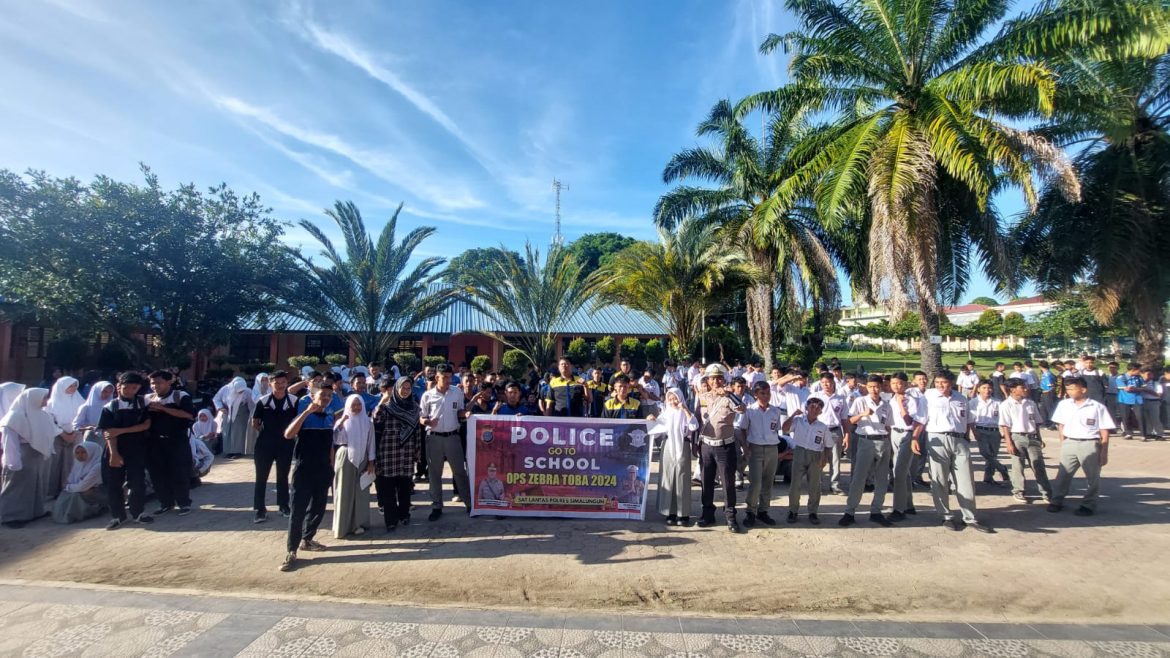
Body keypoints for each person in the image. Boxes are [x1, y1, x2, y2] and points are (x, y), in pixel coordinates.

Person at [916, 372, 992, 533]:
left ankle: (970, 517)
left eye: (943, 382)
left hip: (959, 440)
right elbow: (920, 420)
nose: (940, 386)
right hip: (937, 438)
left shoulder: (961, 398)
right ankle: (946, 516)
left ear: (951, 383)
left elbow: (967, 420)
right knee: (939, 479)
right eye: (937, 382)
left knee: (966, 479)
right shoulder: (928, 397)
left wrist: (968, 437)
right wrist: (915, 438)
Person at [281, 382, 336, 572]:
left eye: (329, 395)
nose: (326, 398)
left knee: (318, 507)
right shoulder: (305, 416)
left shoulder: (329, 417)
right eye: (323, 395)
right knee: (297, 511)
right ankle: (291, 551)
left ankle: (308, 538)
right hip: (304, 469)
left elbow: (330, 444)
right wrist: (306, 413)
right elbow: (288, 435)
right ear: (313, 397)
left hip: (323, 470)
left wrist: (331, 466)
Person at [1049, 376, 1115, 516]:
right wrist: (1063, 441)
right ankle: (1056, 500)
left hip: (1090, 443)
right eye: (1067, 389)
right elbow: (1061, 425)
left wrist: (1104, 452)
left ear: (1083, 389)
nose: (1069, 391)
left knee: (1092, 477)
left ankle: (1088, 504)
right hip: (1070, 442)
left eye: (1072, 388)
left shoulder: (1097, 407)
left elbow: (1104, 431)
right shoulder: (1064, 405)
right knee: (1063, 474)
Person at [99, 372, 153, 530]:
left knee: (137, 481)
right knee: (113, 483)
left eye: (134, 387)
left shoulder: (143, 404)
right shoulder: (110, 407)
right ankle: (118, 516)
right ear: (118, 387)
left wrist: (121, 431)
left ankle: (138, 513)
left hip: (137, 449)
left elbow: (146, 425)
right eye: (126, 387)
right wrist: (114, 454)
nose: (129, 390)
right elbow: (109, 433)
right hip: (115, 449)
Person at [695, 364, 744, 532]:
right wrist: (696, 443)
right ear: (708, 380)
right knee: (706, 482)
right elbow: (697, 420)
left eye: (719, 378)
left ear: (724, 379)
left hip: (725, 447)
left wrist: (730, 394)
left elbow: (742, 409)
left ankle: (730, 517)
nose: (715, 381)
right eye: (712, 378)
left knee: (728, 483)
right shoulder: (702, 397)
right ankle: (707, 514)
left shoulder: (730, 397)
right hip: (707, 446)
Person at [420, 365, 471, 522]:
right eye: (445, 377)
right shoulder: (427, 396)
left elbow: (460, 412)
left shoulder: (456, 393)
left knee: (460, 472)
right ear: (437, 378)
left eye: (450, 377)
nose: (448, 380)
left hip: (453, 437)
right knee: (435, 474)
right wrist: (428, 421)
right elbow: (421, 418)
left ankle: (469, 504)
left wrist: (465, 414)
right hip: (434, 438)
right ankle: (437, 506)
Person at [841, 375, 894, 527]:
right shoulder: (860, 401)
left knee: (882, 478)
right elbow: (850, 421)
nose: (874, 390)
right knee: (859, 477)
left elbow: (888, 426)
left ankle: (876, 511)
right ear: (866, 387)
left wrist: (889, 445)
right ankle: (850, 511)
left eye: (876, 386)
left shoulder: (886, 405)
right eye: (870, 387)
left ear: (881, 387)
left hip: (883, 441)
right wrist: (863, 414)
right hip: (865, 440)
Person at [0, 388, 56, 528]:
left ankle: (34, 512)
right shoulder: (14, 417)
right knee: (16, 486)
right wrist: (13, 462)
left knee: (35, 483)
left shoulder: (42, 414)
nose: (45, 401)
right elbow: (10, 442)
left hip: (36, 454)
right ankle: (11, 516)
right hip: (21, 454)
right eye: (43, 398)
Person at [372, 377, 422, 531]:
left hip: (407, 452)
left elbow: (417, 431)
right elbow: (376, 418)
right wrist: (382, 401)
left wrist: (418, 450)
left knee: (405, 487)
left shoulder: (414, 407)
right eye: (403, 388)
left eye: (408, 388)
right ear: (396, 388)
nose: (405, 391)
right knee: (388, 488)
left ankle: (404, 515)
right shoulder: (386, 406)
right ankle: (391, 520)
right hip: (388, 451)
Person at [145, 370, 196, 517]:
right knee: (158, 474)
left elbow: (189, 415)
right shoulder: (148, 399)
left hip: (176, 441)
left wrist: (163, 408)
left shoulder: (180, 396)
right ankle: (165, 503)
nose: (155, 386)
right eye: (152, 383)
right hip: (155, 442)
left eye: (159, 382)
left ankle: (184, 503)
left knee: (179, 472)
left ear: (169, 382)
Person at [252, 371, 300, 523]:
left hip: (285, 444)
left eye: (283, 383)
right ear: (270, 384)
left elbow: (298, 420)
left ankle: (284, 506)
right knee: (261, 477)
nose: (280, 386)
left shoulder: (293, 401)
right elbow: (255, 422)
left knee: (283, 476)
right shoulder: (263, 401)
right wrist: (266, 433)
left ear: (287, 383)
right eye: (277, 383)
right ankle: (260, 510)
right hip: (264, 445)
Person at [998, 379, 1052, 504]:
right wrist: (1009, 443)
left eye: (1026, 387)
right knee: (1018, 466)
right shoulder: (1006, 405)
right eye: (1022, 387)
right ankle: (1019, 491)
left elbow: (1036, 422)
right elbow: (1005, 426)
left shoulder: (1030, 403)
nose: (1026, 389)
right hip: (1017, 437)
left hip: (1032, 437)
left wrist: (1040, 438)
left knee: (1038, 465)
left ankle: (1046, 492)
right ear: (1013, 390)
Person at [332, 394, 376, 539]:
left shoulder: (368, 422)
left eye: (359, 405)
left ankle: (359, 523)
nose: (356, 408)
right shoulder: (343, 421)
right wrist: (341, 423)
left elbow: (371, 443)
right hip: (345, 456)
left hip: (363, 458)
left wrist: (371, 462)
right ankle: (343, 527)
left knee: (360, 492)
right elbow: (336, 439)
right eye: (353, 405)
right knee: (344, 492)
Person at [740, 381, 782, 527]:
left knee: (768, 482)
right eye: (762, 393)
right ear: (756, 394)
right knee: (756, 483)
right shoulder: (749, 411)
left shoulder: (775, 411)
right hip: (755, 448)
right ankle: (750, 511)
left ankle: (763, 511)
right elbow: (742, 429)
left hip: (772, 448)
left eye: (768, 393)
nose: (766, 396)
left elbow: (775, 429)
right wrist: (745, 447)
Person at [782, 398, 829, 524]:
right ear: (806, 407)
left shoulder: (822, 427)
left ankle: (813, 512)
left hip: (815, 455)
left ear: (821, 412)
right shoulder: (798, 421)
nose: (815, 409)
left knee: (814, 486)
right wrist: (792, 415)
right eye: (812, 406)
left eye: (818, 408)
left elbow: (828, 444)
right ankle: (793, 511)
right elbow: (785, 429)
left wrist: (824, 458)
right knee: (795, 485)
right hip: (799, 453)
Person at [656, 388, 698, 526]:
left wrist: (685, 410)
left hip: (683, 446)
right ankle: (670, 512)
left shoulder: (686, 413)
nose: (673, 401)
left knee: (682, 478)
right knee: (668, 477)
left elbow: (693, 426)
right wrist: (651, 420)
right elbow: (656, 430)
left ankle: (683, 514)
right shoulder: (665, 413)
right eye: (670, 399)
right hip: (668, 446)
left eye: (675, 398)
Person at [887, 372, 923, 520]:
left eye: (900, 383)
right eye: (893, 383)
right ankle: (908, 504)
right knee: (903, 472)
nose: (896, 386)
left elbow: (909, 421)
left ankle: (898, 509)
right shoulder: (891, 398)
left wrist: (902, 404)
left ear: (906, 384)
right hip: (894, 433)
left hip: (907, 435)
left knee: (899, 472)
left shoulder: (910, 400)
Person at [809, 373, 850, 495]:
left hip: (834, 430)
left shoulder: (840, 398)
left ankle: (835, 485)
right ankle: (818, 484)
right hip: (818, 430)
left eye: (828, 382)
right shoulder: (814, 397)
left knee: (835, 458)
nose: (826, 385)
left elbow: (844, 419)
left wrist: (847, 434)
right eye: (823, 382)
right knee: (818, 457)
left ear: (833, 383)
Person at [45, 376, 85, 499]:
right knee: (55, 463)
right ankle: (52, 491)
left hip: (75, 435)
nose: (73, 388)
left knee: (71, 462)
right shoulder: (51, 403)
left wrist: (74, 433)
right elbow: (49, 420)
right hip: (57, 436)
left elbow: (83, 417)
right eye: (70, 386)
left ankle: (67, 488)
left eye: (74, 386)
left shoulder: (80, 401)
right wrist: (62, 433)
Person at [51, 440, 107, 524]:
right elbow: (70, 481)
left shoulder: (98, 466)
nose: (80, 455)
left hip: (100, 492)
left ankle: (94, 509)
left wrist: (69, 487)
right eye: (77, 453)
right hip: (85, 490)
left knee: (76, 495)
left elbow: (81, 487)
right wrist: (70, 487)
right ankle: (65, 514)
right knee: (68, 494)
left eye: (83, 452)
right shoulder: (78, 464)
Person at [968, 381, 1009, 485]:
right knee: (985, 452)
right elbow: (970, 420)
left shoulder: (998, 402)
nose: (987, 390)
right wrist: (974, 432)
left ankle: (988, 477)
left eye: (989, 388)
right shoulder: (973, 402)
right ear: (978, 389)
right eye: (984, 388)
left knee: (993, 455)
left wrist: (1004, 433)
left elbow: (1003, 419)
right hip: (981, 430)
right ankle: (1002, 468)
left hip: (994, 431)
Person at [214, 377, 252, 458]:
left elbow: (251, 404)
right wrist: (220, 407)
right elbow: (216, 399)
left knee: (238, 433)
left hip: (241, 414)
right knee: (227, 432)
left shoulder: (247, 391)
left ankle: (238, 451)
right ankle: (228, 451)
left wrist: (252, 415)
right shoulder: (225, 389)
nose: (241, 392)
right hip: (227, 413)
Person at [1115, 363, 1145, 438]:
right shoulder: (1121, 377)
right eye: (1139, 370)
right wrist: (1128, 388)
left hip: (1137, 399)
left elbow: (1144, 387)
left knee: (1140, 416)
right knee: (1126, 416)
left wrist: (1136, 389)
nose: (1140, 372)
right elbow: (1125, 388)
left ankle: (1143, 434)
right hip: (1124, 400)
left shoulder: (1139, 378)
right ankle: (1128, 433)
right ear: (1133, 370)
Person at [1139, 368, 1164, 441]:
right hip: (1143, 401)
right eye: (1147, 374)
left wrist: (1147, 390)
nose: (1149, 376)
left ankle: (1159, 434)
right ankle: (1148, 432)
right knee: (1146, 418)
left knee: (1155, 418)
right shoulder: (1140, 383)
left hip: (1154, 402)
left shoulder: (1155, 383)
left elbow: (1159, 394)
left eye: (1151, 374)